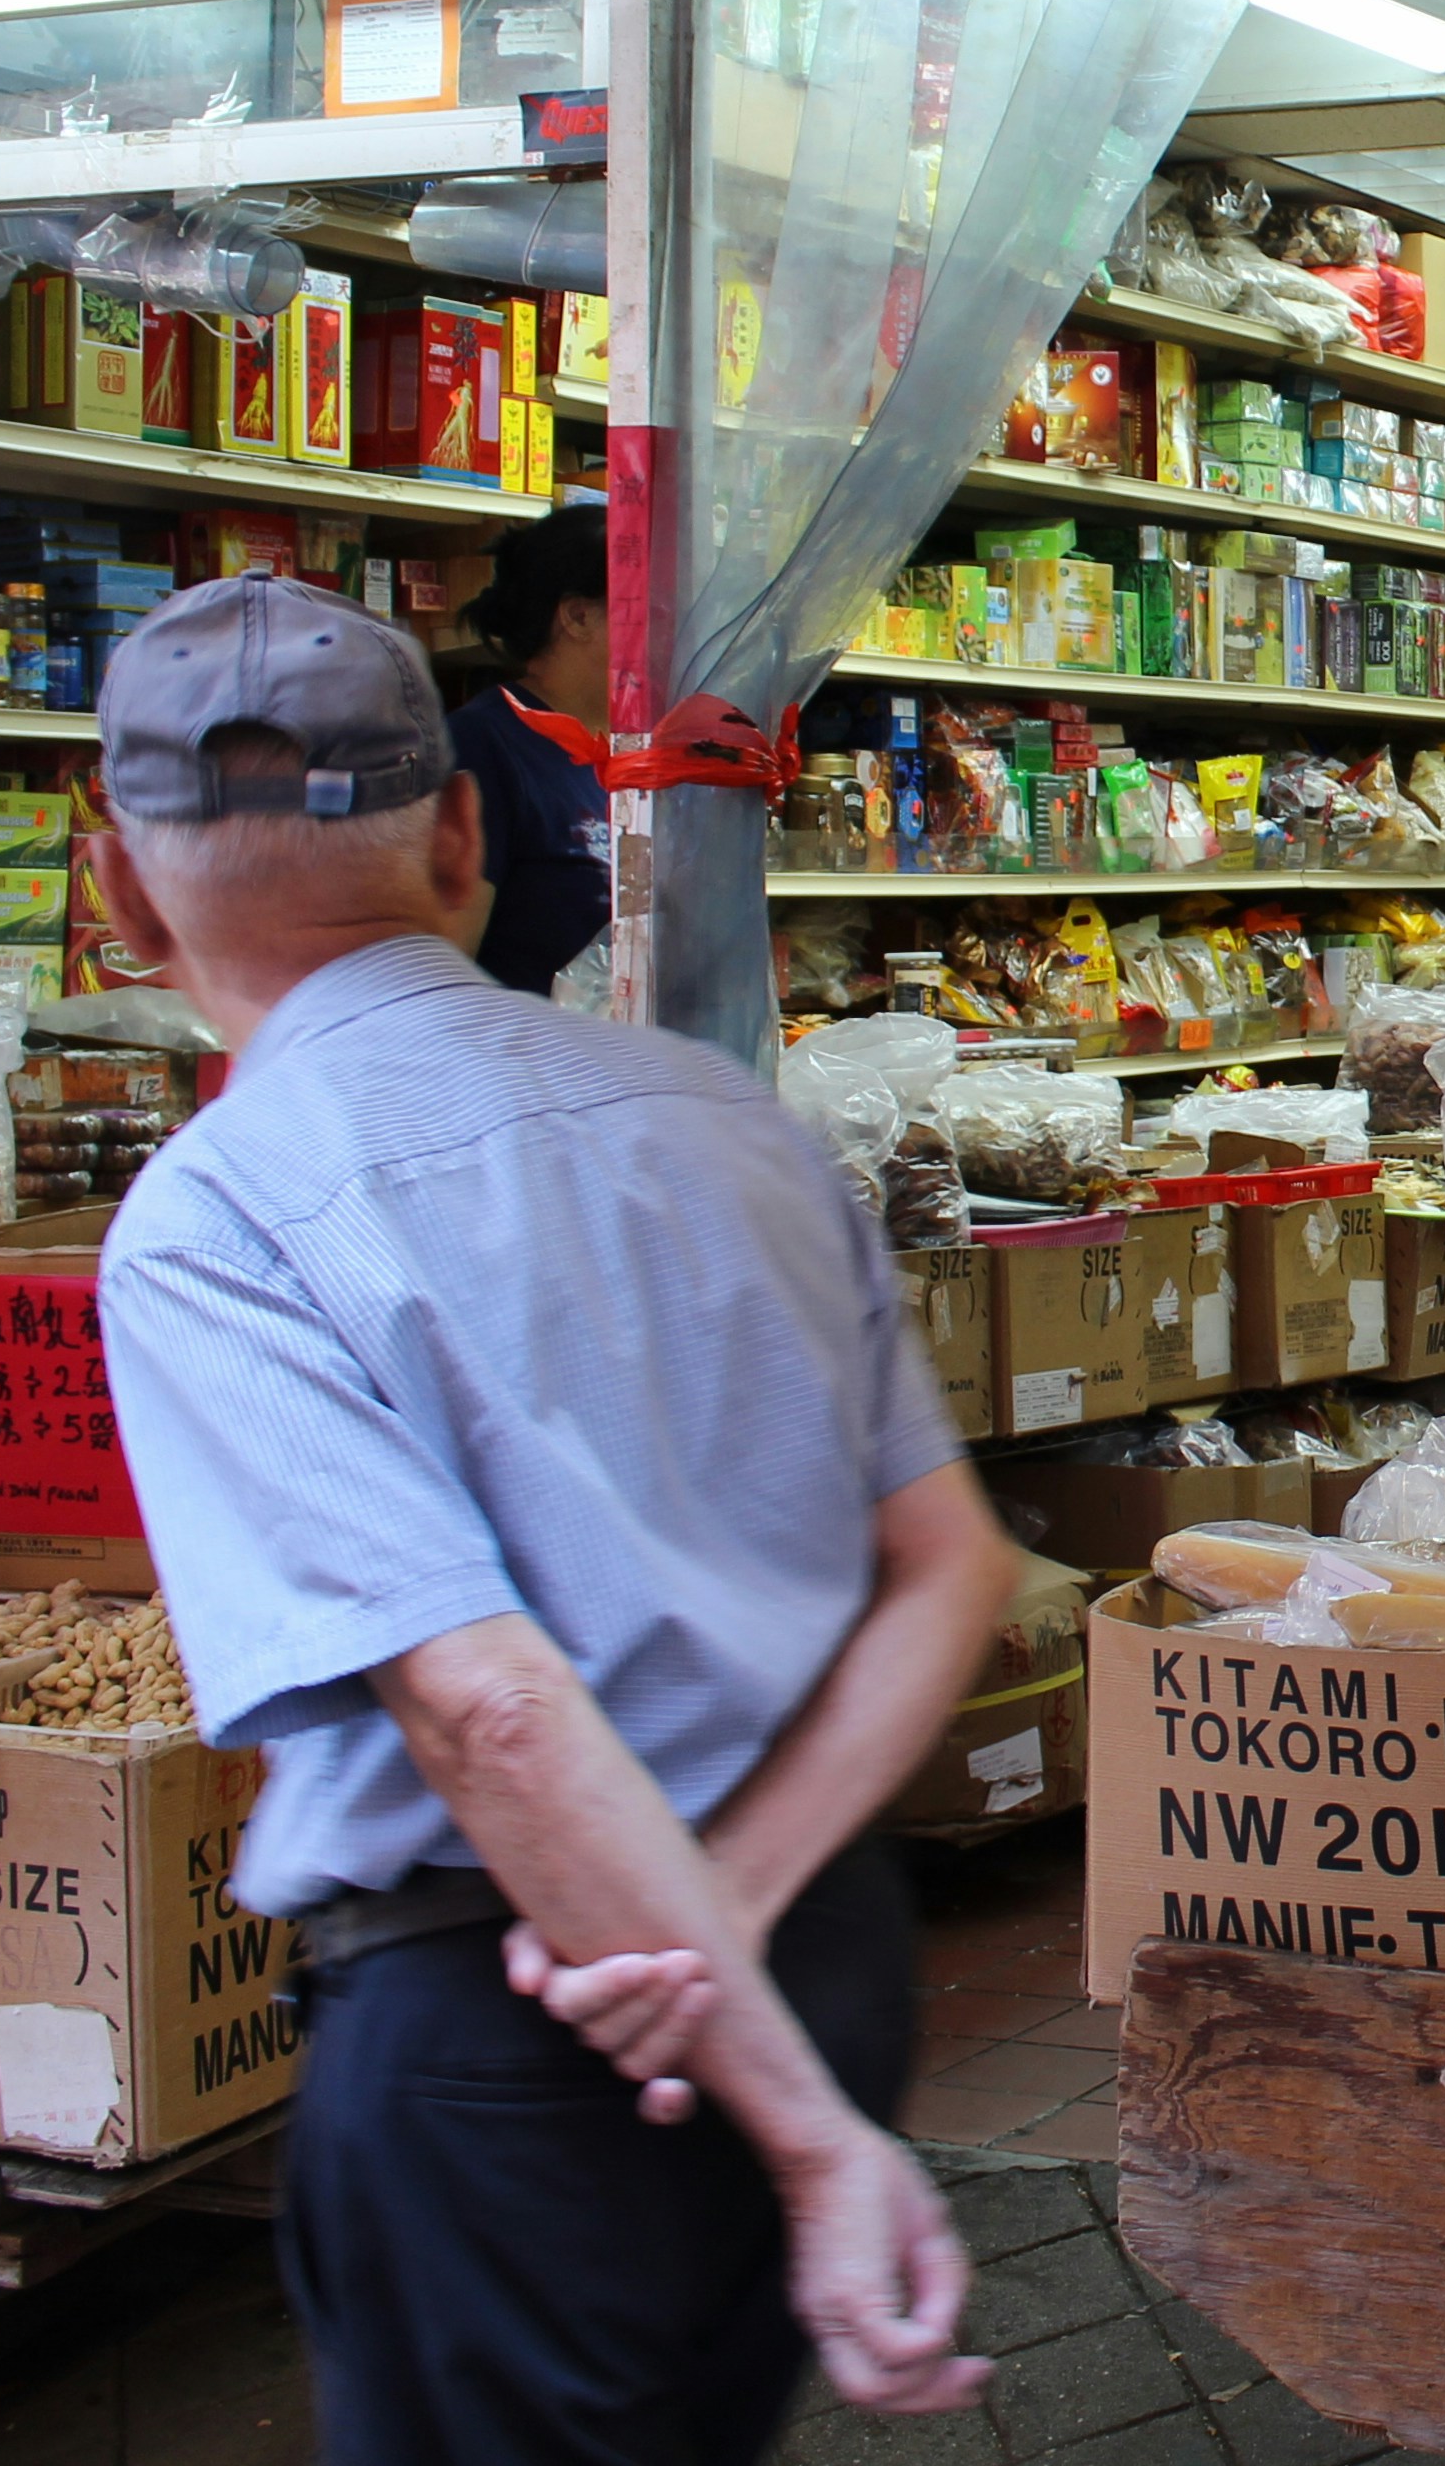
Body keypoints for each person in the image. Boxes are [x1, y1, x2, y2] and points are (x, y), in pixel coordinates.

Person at [78, 572, 1015, 2463]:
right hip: (811, 1945)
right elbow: (953, 1565)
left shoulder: (214, 1215)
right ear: (456, 836)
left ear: (112, 886)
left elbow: (487, 1708)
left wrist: (805, 2138)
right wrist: (745, 1928)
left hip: (538, 2026)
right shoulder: (726, 1118)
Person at [450, 502, 613, 997]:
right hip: (520, 1066)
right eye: (655, 607)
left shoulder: (624, 751)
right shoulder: (481, 746)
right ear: (579, 617)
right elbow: (445, 969)